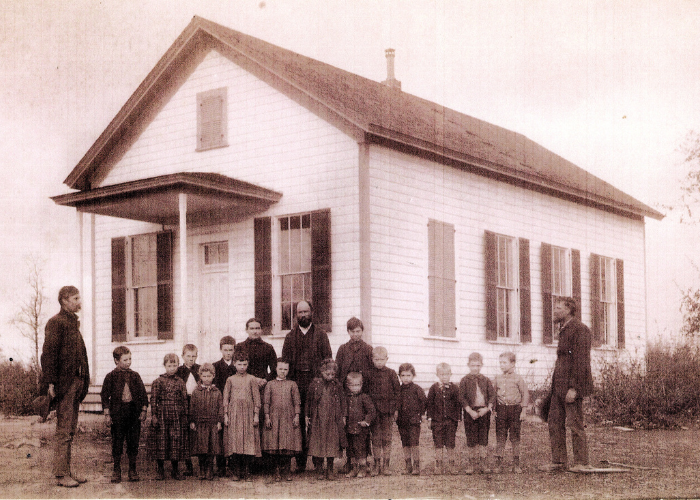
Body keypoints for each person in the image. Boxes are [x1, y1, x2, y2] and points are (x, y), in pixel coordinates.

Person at [40, 285, 90, 488]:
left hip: (77, 383)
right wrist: (51, 382)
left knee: (70, 429)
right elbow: (48, 355)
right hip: (64, 384)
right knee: (63, 430)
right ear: (64, 300)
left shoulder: (72, 323)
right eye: (76, 298)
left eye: (79, 297)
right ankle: (61, 475)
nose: (80, 301)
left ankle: (67, 471)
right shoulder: (56, 323)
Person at [540, 297, 594, 473]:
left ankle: (581, 462)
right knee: (554, 423)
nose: (554, 311)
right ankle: (559, 462)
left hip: (571, 387)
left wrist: (575, 388)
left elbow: (581, 361)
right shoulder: (563, 329)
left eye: (558, 308)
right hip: (558, 387)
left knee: (575, 423)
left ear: (569, 310)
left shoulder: (580, 329)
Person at [281, 300, 332, 472]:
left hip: (316, 385)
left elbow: (327, 361)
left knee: (317, 421)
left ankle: (318, 462)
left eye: (306, 311)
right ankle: (300, 462)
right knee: (298, 422)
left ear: (312, 312)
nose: (303, 315)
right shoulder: (290, 337)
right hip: (296, 385)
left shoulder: (321, 335)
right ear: (296, 315)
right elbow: (285, 363)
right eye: (300, 312)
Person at [101, 346, 148, 483]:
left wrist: (143, 410)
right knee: (117, 442)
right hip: (118, 415)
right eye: (125, 359)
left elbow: (143, 395)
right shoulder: (110, 377)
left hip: (133, 415)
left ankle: (132, 470)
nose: (128, 362)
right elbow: (104, 396)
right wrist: (107, 414)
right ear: (116, 361)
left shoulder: (135, 376)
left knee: (133, 442)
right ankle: (116, 470)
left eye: (130, 359)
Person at [148, 353, 189, 480]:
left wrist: (185, 415)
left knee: (175, 442)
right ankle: (160, 470)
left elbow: (184, 400)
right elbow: (153, 400)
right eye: (169, 365)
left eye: (174, 365)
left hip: (177, 415)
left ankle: (175, 470)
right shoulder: (158, 382)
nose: (172, 368)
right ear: (164, 365)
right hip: (162, 415)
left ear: (178, 366)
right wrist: (154, 415)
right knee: (161, 441)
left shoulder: (181, 382)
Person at [223, 350, 262, 481]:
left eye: (244, 364)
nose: (242, 367)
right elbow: (226, 399)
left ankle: (247, 471)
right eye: (239, 364)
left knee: (248, 443)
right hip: (234, 415)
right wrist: (226, 415)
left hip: (248, 414)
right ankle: (236, 471)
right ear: (234, 364)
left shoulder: (251, 379)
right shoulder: (230, 380)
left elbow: (257, 398)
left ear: (248, 364)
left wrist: (256, 414)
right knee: (235, 443)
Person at [305, 358, 347, 481]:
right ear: (321, 372)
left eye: (333, 374)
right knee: (317, 444)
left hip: (333, 419)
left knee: (332, 444)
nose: (330, 376)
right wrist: (307, 415)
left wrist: (344, 416)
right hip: (318, 419)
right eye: (327, 374)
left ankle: (329, 469)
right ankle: (319, 469)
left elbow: (343, 400)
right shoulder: (315, 384)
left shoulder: (337, 385)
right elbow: (308, 400)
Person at [262, 358, 303, 482]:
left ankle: (286, 471)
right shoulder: (270, 384)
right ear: (275, 369)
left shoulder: (292, 384)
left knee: (287, 445)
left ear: (289, 370)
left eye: (285, 369)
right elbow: (266, 402)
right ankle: (276, 471)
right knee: (274, 445)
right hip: (274, 418)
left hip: (288, 418)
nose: (283, 372)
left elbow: (297, 402)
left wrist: (296, 416)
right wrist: (267, 416)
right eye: (280, 369)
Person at [459, 352, 496, 474]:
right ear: (468, 365)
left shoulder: (485, 380)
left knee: (483, 438)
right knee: (471, 439)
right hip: (470, 413)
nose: (475, 368)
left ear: (481, 365)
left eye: (478, 365)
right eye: (473, 365)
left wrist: (487, 409)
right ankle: (471, 463)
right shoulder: (464, 380)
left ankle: (483, 463)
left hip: (483, 412)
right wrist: (469, 411)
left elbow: (492, 396)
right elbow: (462, 398)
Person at [365, 346, 400, 476]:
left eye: (382, 359)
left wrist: (395, 409)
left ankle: (386, 465)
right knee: (376, 438)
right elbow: (366, 394)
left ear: (387, 359)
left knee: (387, 438)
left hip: (388, 412)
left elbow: (397, 392)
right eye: (376, 359)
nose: (379, 362)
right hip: (374, 413)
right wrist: (369, 411)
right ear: (372, 359)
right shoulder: (368, 374)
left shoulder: (391, 373)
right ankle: (376, 464)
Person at [492, 351, 529, 474]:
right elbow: (493, 395)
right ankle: (498, 464)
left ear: (512, 363)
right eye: (500, 363)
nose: (501, 365)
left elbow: (525, 394)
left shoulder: (518, 378)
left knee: (515, 437)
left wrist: (523, 410)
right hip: (502, 410)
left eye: (504, 362)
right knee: (500, 436)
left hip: (515, 410)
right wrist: (494, 410)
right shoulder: (497, 378)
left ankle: (516, 464)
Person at [189, 363, 223, 481]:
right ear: (200, 376)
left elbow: (220, 407)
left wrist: (219, 421)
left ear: (213, 376)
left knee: (211, 448)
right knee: (201, 448)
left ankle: (209, 469)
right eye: (204, 376)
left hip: (212, 424)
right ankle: (202, 469)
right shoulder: (196, 392)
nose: (207, 379)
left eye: (209, 376)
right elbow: (192, 407)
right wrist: (192, 421)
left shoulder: (217, 392)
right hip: (200, 424)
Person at [426, 362, 461, 475]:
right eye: (441, 374)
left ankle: (452, 465)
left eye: (446, 374)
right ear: (437, 375)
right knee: (438, 444)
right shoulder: (433, 388)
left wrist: (457, 418)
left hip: (451, 421)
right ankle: (438, 465)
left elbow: (458, 404)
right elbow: (429, 404)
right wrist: (429, 419)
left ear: (450, 374)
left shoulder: (455, 388)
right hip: (437, 421)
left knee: (450, 443)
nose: (444, 377)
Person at [397, 363, 427, 476]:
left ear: (413, 376)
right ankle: (408, 465)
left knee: (414, 443)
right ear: (399, 376)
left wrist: (420, 415)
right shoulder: (398, 390)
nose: (405, 378)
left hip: (414, 421)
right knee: (405, 443)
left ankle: (416, 466)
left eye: (408, 375)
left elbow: (424, 402)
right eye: (403, 375)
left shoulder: (417, 389)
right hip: (402, 421)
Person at [344, 372, 376, 478]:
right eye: (352, 385)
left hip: (361, 430)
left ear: (361, 385)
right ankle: (354, 468)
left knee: (360, 449)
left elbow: (371, 411)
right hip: (349, 428)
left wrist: (366, 421)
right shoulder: (346, 398)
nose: (355, 388)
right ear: (348, 386)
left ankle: (363, 468)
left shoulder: (364, 397)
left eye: (357, 385)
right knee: (351, 450)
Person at [213, 335, 236, 476]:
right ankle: (221, 466)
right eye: (225, 350)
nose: (228, 352)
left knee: (232, 435)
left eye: (231, 350)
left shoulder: (237, 366)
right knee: (220, 435)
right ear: (221, 350)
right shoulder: (215, 366)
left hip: (234, 405)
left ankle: (233, 465)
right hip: (220, 404)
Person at [175, 343, 200, 477]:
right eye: (188, 356)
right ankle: (188, 465)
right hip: (183, 403)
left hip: (197, 403)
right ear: (183, 356)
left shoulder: (200, 369)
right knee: (184, 434)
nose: (191, 359)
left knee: (197, 432)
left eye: (194, 356)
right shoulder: (179, 371)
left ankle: (202, 463)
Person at [335, 317, 373, 387]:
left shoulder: (368, 349)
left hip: (363, 386)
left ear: (362, 331)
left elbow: (372, 370)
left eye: (358, 331)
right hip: (345, 387)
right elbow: (337, 369)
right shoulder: (343, 349)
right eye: (353, 331)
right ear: (348, 331)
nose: (355, 334)